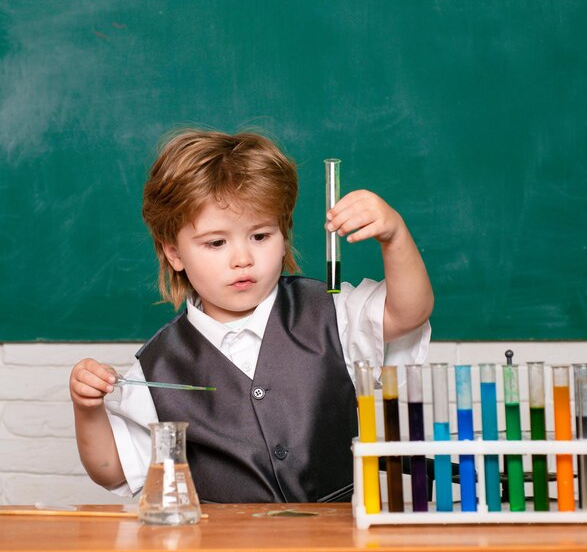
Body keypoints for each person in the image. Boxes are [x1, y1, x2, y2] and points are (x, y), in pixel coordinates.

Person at [69, 128, 434, 503]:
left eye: (260, 236)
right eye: (216, 242)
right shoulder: (158, 367)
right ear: (174, 254)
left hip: (339, 539)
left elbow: (409, 312)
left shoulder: (331, 311)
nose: (242, 258)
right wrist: (88, 409)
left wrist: (395, 236)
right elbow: (111, 469)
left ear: (284, 235)